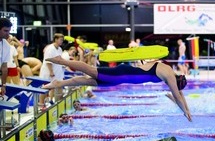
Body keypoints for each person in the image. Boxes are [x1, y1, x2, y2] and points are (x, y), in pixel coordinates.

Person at [43, 56, 192, 121]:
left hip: (119, 79)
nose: (171, 87)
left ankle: (58, 84)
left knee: (89, 81)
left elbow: (178, 94)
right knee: (91, 71)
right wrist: (185, 113)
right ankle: (61, 60)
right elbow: (177, 96)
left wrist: (187, 111)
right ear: (176, 81)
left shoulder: (167, 70)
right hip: (121, 75)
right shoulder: (169, 75)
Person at [0, 18, 13, 96]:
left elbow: (4, 67)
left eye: (8, 31)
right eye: (5, 31)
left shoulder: (6, 46)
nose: (8, 34)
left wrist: (3, 85)